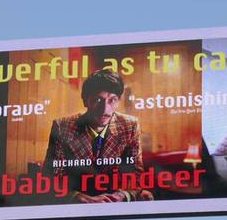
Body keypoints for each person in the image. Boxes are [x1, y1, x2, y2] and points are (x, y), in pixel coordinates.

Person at [43, 69, 152, 203]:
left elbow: (135, 173)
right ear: (85, 101)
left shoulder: (129, 125)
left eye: (112, 100)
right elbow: (51, 177)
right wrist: (76, 197)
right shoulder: (62, 127)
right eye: (97, 100)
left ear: (118, 101)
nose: (105, 110)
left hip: (114, 201)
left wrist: (122, 195)